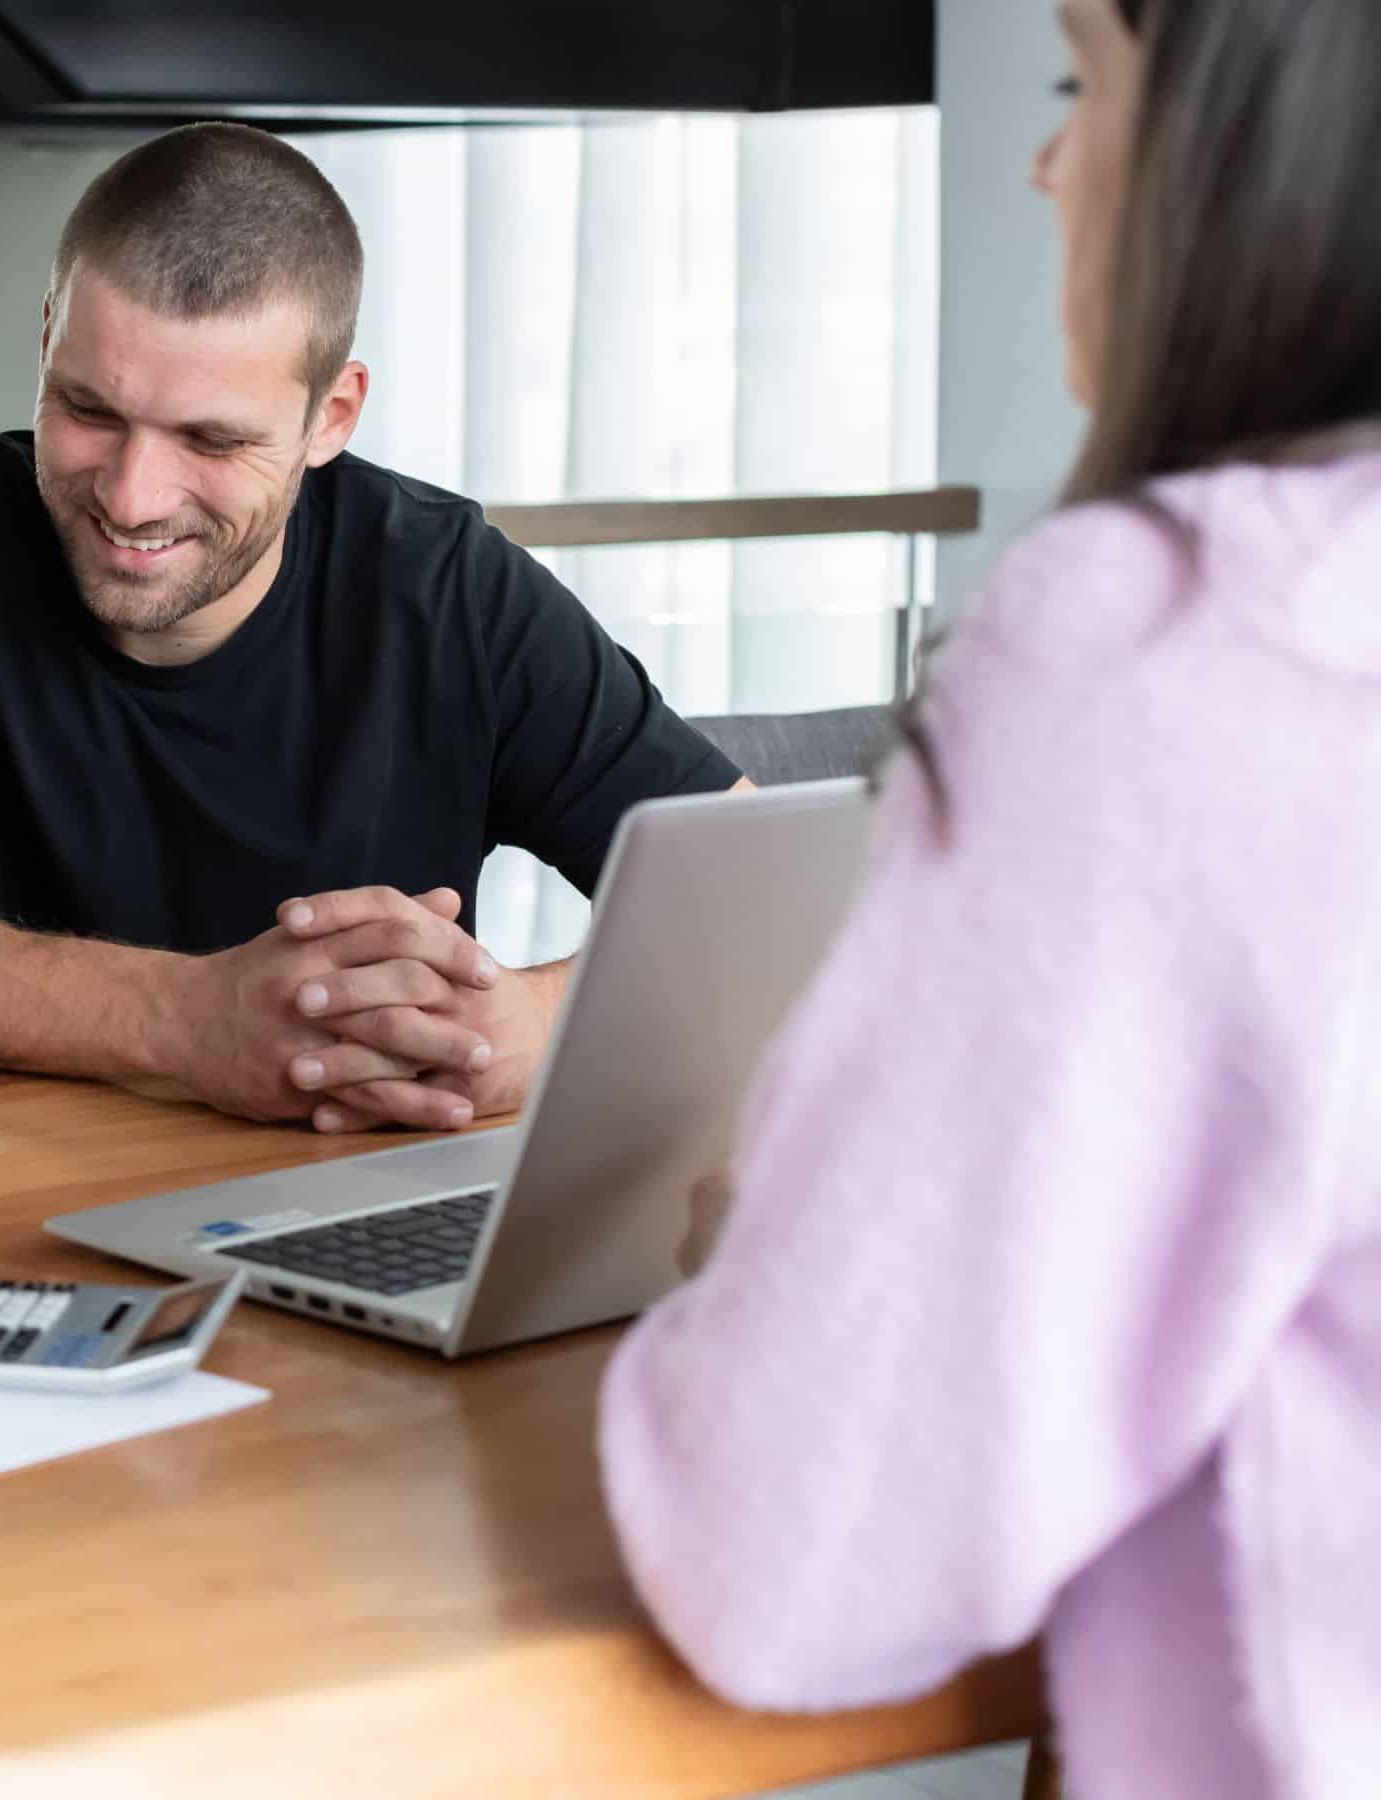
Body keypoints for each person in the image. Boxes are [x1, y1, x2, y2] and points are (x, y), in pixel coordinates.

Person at [599, 2, 1381, 1794]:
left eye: (1076, 83)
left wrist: (771, 1260)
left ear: (1249, 153)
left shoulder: (1183, 643)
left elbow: (784, 1556)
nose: (1045, 162)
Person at [0, 123, 743, 1135]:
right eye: (88, 410)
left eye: (210, 439)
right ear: (44, 343)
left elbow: (787, 909)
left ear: (332, 416)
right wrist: (187, 1018)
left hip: (344, 1198)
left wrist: (527, 1031)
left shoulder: (450, 588)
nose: (131, 495)